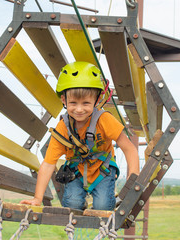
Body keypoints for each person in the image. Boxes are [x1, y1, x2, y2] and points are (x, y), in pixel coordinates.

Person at [20, 61, 139, 210]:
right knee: (72, 206)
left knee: (102, 207)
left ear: (96, 100)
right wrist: (37, 198)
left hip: (103, 169)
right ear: (64, 100)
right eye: (73, 103)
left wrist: (133, 178)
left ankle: (107, 201)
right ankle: (80, 202)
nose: (79, 109)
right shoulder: (63, 127)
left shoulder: (104, 120)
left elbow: (129, 148)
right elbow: (49, 163)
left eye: (86, 103)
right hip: (76, 171)